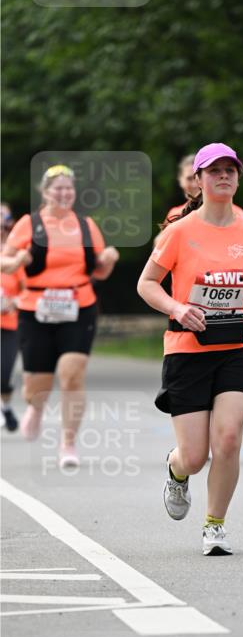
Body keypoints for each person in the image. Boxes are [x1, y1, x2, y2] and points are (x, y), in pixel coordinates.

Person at [137, 142, 243, 556]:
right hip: (186, 349)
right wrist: (178, 308)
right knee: (195, 455)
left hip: (237, 344)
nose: (223, 176)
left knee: (230, 438)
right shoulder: (178, 232)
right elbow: (146, 284)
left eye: (230, 170)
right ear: (197, 181)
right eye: (213, 170)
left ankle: (215, 525)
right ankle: (175, 467)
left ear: (238, 178)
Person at [3, 165, 119, 467]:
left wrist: (109, 259)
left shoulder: (85, 226)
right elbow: (5, 262)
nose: (65, 193)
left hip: (78, 305)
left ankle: (68, 443)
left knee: (72, 375)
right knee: (35, 386)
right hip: (35, 308)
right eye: (58, 188)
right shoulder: (30, 224)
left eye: (69, 188)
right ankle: (36, 408)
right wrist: (17, 259)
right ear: (45, 192)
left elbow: (100, 271)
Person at [0, 203, 25, 432]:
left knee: (4, 374)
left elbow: (29, 289)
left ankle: (5, 407)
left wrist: (14, 302)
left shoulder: (16, 256)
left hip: (9, 323)